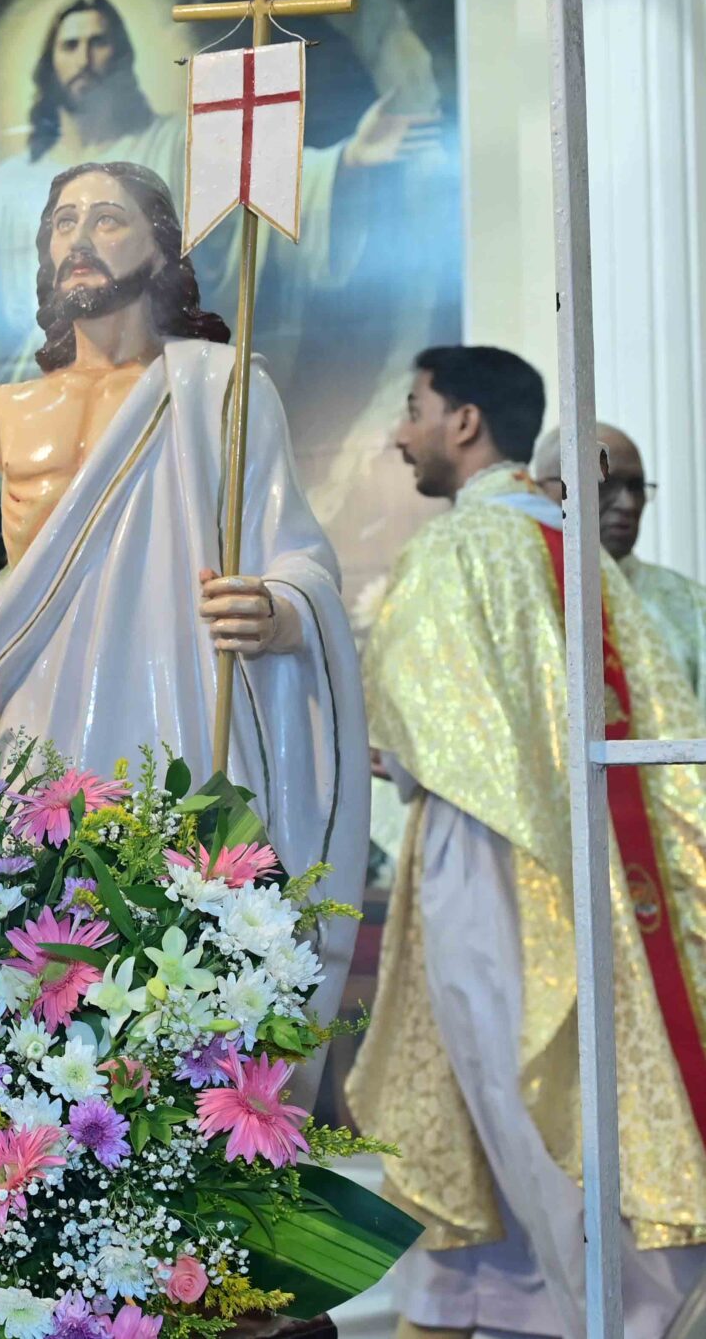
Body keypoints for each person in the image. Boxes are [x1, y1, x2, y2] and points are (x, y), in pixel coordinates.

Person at [0, 129, 367, 1018]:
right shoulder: (11, 411)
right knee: (45, 961)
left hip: (176, 704)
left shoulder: (220, 386)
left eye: (107, 219)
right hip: (46, 721)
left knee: (175, 969)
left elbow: (296, 548)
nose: (78, 239)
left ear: (161, 248)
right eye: (63, 222)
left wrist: (281, 610)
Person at [348, 347, 706, 1339]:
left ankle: (630, 1313)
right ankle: (508, 1299)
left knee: (516, 1090)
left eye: (414, 407)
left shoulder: (459, 546)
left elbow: (419, 737)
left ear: (464, 421)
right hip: (597, 858)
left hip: (491, 853)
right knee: (576, 1085)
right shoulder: (571, 546)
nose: (401, 432)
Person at [0, 0, 434, 371]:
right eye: (70, 45)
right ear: (50, 66)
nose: (85, 57)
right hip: (42, 386)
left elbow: (259, 192)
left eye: (99, 42)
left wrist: (346, 162)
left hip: (150, 374)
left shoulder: (175, 144)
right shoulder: (13, 181)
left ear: (124, 55)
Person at [532, 422, 706, 697]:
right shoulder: (524, 594)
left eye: (636, 487)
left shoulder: (692, 606)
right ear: (545, 491)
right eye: (604, 484)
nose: (628, 504)